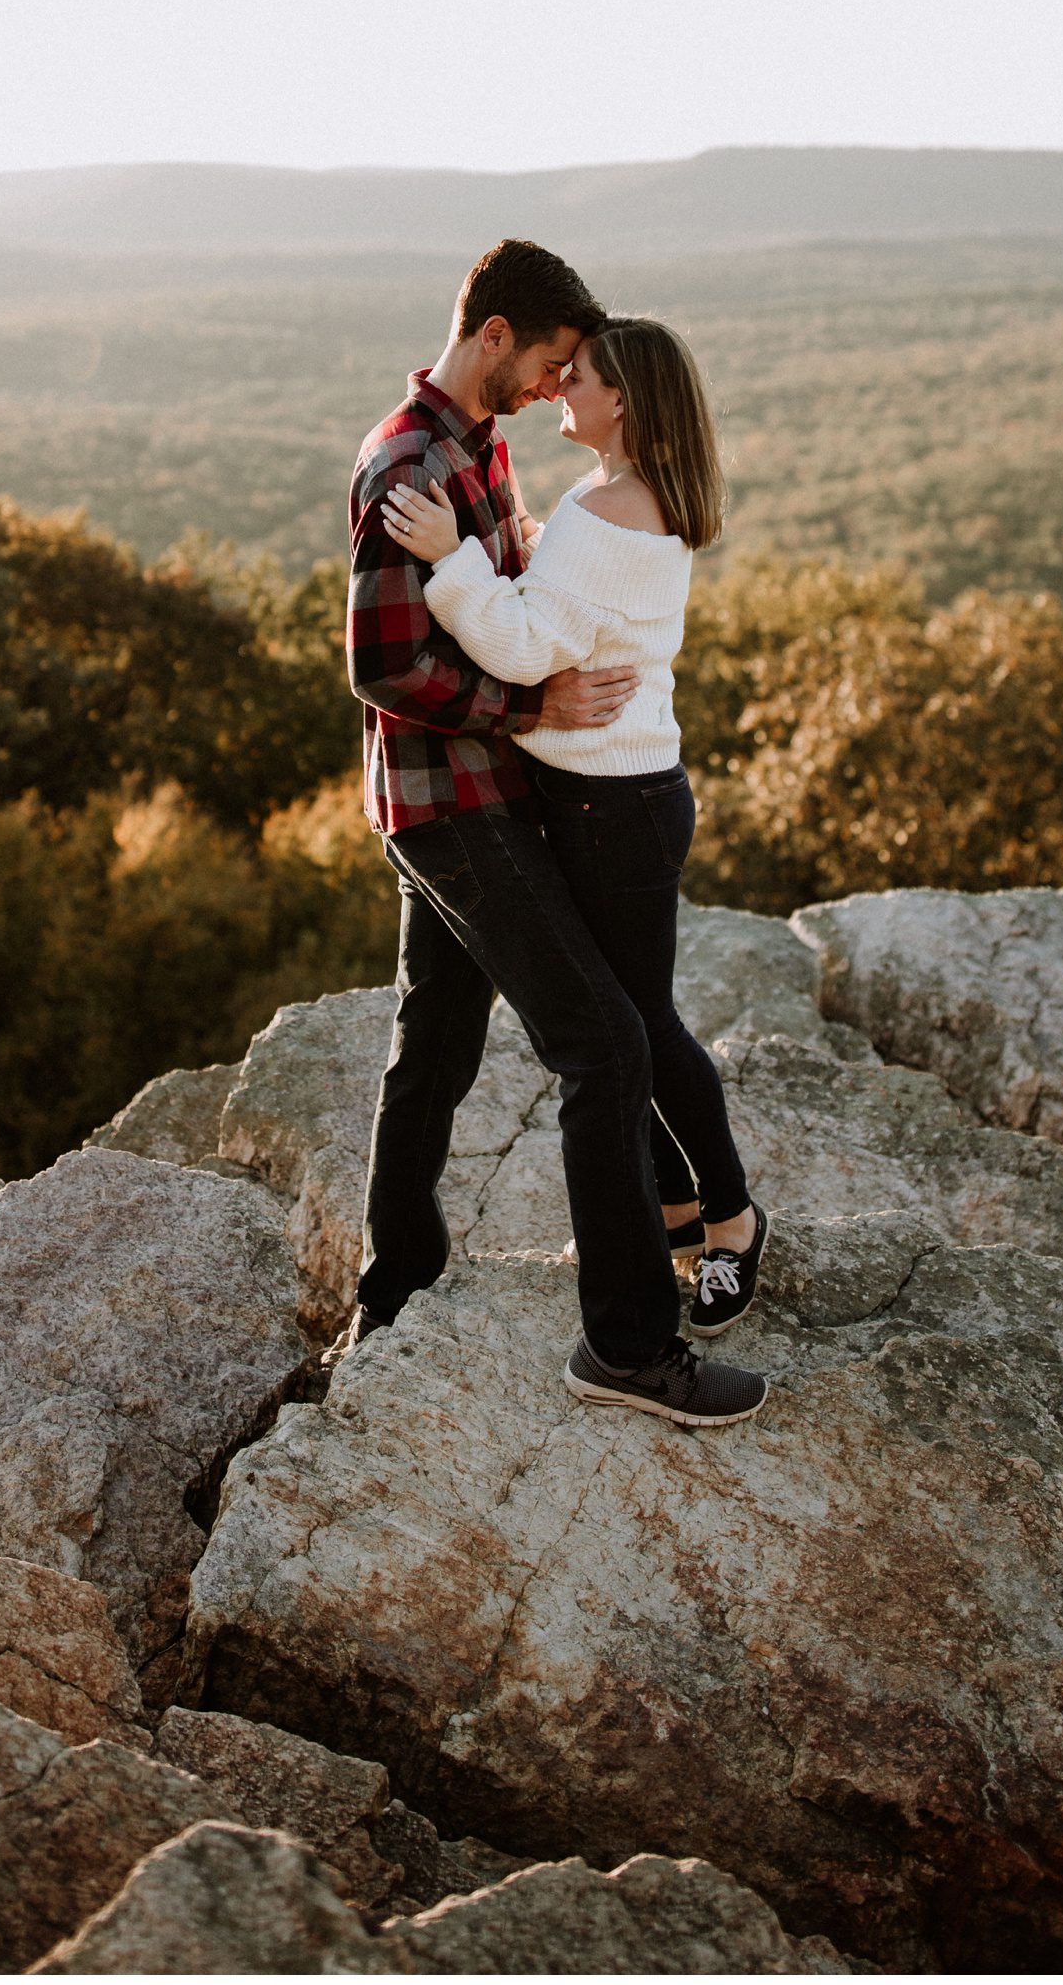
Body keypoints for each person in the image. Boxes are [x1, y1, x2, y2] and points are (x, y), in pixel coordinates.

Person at [344, 238, 766, 1429]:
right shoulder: (410, 462)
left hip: (493, 796)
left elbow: (518, 597)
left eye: (570, 369)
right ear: (493, 339)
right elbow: (381, 664)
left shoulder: (481, 447)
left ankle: (393, 1292)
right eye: (547, 359)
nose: (550, 381)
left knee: (431, 1048)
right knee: (606, 1048)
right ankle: (628, 1345)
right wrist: (528, 704)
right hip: (454, 808)